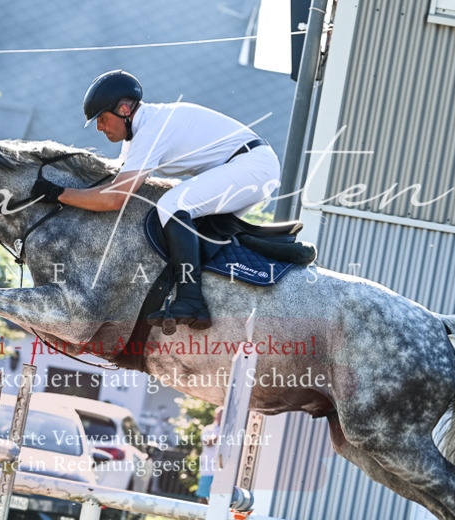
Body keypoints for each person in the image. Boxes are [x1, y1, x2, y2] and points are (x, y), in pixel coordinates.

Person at [33, 70, 280, 331]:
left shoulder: (151, 131)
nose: (99, 127)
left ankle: (191, 301)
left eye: (102, 118)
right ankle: (206, 301)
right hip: (250, 166)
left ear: (125, 110)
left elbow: (115, 199)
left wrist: (58, 193)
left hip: (253, 166)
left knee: (171, 205)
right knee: (194, 230)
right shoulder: (139, 135)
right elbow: (113, 184)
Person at [196, 407, 223, 503]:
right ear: (215, 416)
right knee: (204, 497)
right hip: (208, 469)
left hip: (222, 470)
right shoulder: (208, 429)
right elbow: (208, 442)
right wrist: (221, 435)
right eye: (220, 415)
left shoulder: (230, 430)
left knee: (219, 499)